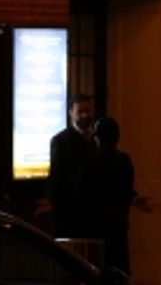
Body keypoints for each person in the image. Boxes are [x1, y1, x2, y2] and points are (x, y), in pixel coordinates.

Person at [75, 116, 150, 276]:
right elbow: (126, 190)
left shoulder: (89, 162)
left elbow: (82, 195)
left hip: (95, 227)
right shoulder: (124, 160)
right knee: (119, 271)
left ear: (97, 137)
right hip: (118, 226)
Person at [38, 94, 96, 236]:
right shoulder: (61, 141)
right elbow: (56, 172)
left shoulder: (96, 140)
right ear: (71, 113)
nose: (84, 115)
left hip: (93, 211)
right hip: (69, 210)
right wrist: (49, 198)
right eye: (80, 112)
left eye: (87, 111)